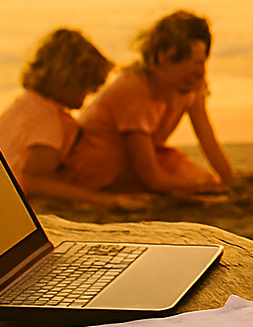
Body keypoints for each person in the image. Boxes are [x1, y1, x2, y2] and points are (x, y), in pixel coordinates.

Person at [61, 10, 234, 195]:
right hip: (97, 169)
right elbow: (151, 176)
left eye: (202, 63)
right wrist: (200, 190)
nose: (201, 72)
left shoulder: (189, 86)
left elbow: (207, 138)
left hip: (137, 161)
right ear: (164, 57)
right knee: (191, 182)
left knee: (197, 177)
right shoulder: (135, 89)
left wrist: (231, 183)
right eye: (193, 64)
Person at [0, 28, 146, 210]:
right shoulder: (47, 120)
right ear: (70, 80)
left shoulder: (27, 104)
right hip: (5, 203)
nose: (90, 95)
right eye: (87, 87)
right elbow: (33, 181)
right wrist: (103, 200)